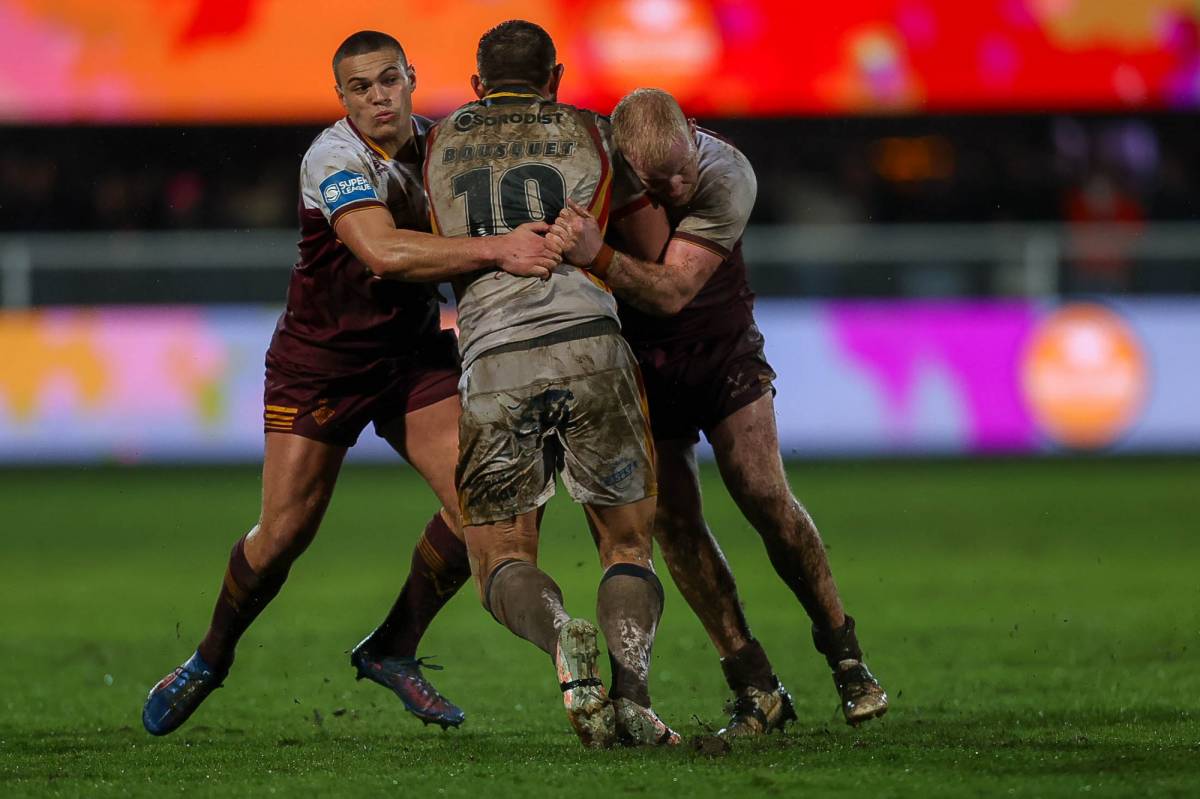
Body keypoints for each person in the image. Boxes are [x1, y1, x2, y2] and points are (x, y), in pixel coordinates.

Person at [141, 30, 563, 736]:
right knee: (282, 537)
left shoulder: (443, 148)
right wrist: (501, 250)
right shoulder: (333, 157)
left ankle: (393, 646)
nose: (378, 97)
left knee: (482, 504)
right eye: (361, 87)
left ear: (411, 78)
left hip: (410, 360)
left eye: (389, 80)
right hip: (322, 365)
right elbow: (382, 251)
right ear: (342, 98)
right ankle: (210, 657)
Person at [553, 88, 889, 735]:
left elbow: (673, 290)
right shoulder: (595, 167)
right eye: (661, 182)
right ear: (625, 159)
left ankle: (845, 656)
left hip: (721, 353)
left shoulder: (728, 171)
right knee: (675, 526)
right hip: (639, 368)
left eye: (682, 169)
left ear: (693, 131)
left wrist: (597, 253)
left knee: (764, 493)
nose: (679, 186)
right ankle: (754, 683)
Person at [422, 20, 678, 748]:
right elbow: (651, 247)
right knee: (627, 548)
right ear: (556, 79)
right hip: (593, 344)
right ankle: (633, 697)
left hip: (495, 357)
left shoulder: (434, 143)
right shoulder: (595, 132)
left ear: (477, 84)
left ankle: (563, 632)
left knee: (501, 558)